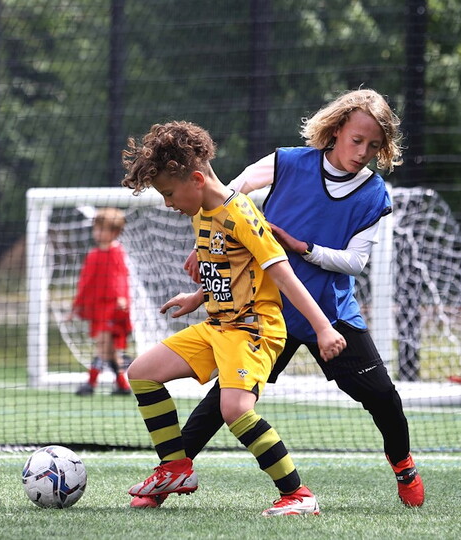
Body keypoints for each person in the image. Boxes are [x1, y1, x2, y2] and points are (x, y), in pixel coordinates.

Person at [132, 89, 425, 509]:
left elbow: (355, 262)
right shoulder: (289, 161)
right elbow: (232, 188)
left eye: (374, 145)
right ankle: (170, 476)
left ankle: (403, 466)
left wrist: (302, 247)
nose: (363, 152)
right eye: (356, 140)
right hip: (270, 311)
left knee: (383, 398)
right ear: (336, 130)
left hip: (329, 313)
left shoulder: (374, 194)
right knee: (223, 402)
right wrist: (211, 239)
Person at [120, 120, 347, 516]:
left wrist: (323, 328)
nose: (168, 203)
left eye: (169, 193)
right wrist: (196, 297)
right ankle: (175, 469)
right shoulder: (200, 212)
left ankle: (298, 494)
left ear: (196, 179)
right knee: (142, 372)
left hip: (254, 329)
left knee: (235, 410)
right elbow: (229, 269)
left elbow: (283, 275)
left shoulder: (240, 214)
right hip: (218, 327)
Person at [72, 207, 133, 396]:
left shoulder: (116, 253)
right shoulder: (93, 255)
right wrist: (78, 305)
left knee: (103, 346)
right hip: (98, 309)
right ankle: (122, 385)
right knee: (110, 349)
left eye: (102, 229)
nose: (98, 233)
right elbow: (86, 282)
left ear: (115, 232)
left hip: (113, 308)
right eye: (96, 229)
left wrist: (121, 297)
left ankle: (90, 383)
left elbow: (120, 277)